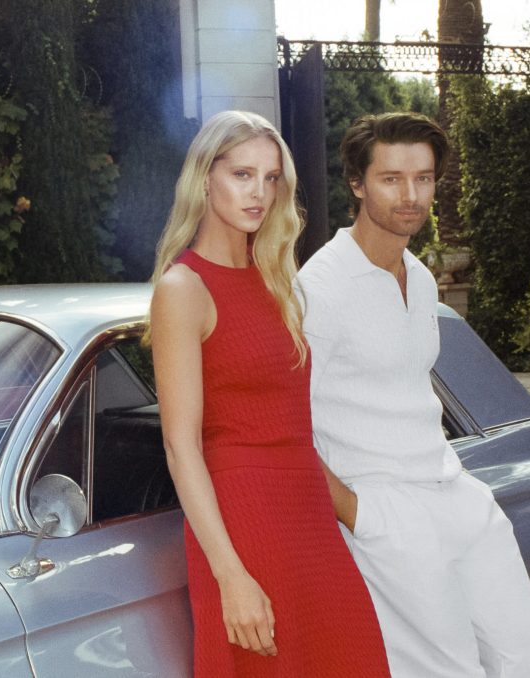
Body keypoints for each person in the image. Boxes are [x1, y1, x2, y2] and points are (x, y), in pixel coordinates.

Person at [296, 111, 530, 678]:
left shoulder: (418, 276)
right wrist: (360, 514)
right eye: (391, 179)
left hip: (454, 491)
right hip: (385, 508)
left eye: (423, 178)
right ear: (357, 184)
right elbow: (285, 425)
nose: (411, 195)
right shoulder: (319, 288)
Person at [147, 110, 390, 677]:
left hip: (307, 511)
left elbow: (293, 419)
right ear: (204, 178)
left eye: (271, 178)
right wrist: (230, 575)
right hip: (243, 520)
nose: (259, 192)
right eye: (242, 174)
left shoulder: (276, 278)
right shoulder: (183, 288)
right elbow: (181, 448)